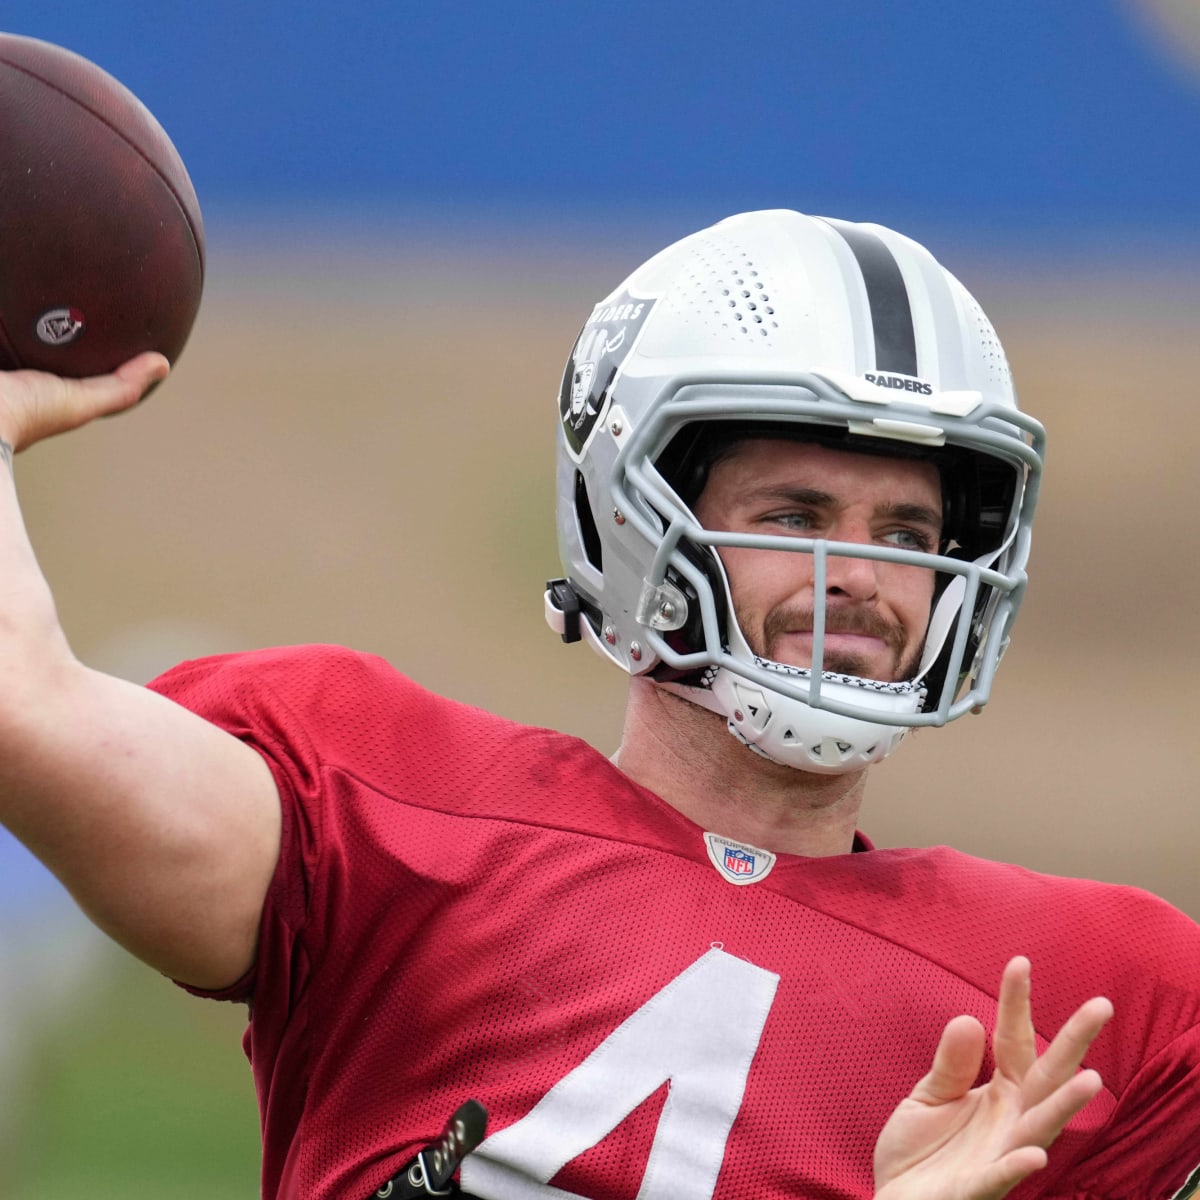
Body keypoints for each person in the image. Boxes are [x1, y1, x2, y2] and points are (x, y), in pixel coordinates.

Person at [0, 209, 1195, 1200]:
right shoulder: (380, 812)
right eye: (793, 518)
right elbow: (27, 709)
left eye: (909, 534)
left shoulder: (1088, 1000)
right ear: (635, 519)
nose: (866, 581)